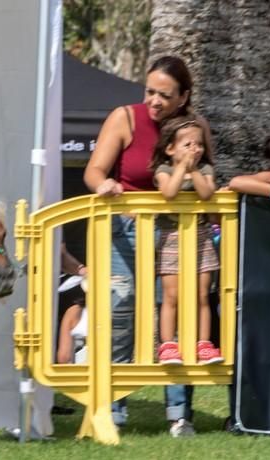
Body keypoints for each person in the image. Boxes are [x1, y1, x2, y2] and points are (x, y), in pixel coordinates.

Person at [83, 55, 211, 436]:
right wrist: (103, 185)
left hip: (179, 231)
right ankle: (115, 410)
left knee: (177, 318)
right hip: (128, 231)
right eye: (149, 91)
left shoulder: (194, 127)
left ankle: (179, 414)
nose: (154, 101)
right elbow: (94, 170)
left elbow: (207, 174)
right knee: (119, 317)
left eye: (164, 95)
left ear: (183, 97)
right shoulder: (124, 118)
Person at [151, 115, 223, 365]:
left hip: (201, 238)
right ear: (170, 148)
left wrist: (193, 169)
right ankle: (168, 344)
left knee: (202, 294)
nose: (196, 149)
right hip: (171, 238)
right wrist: (182, 168)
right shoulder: (164, 170)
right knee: (172, 296)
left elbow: (206, 194)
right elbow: (169, 193)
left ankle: (203, 343)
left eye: (199, 144)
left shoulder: (205, 170)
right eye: (188, 145)